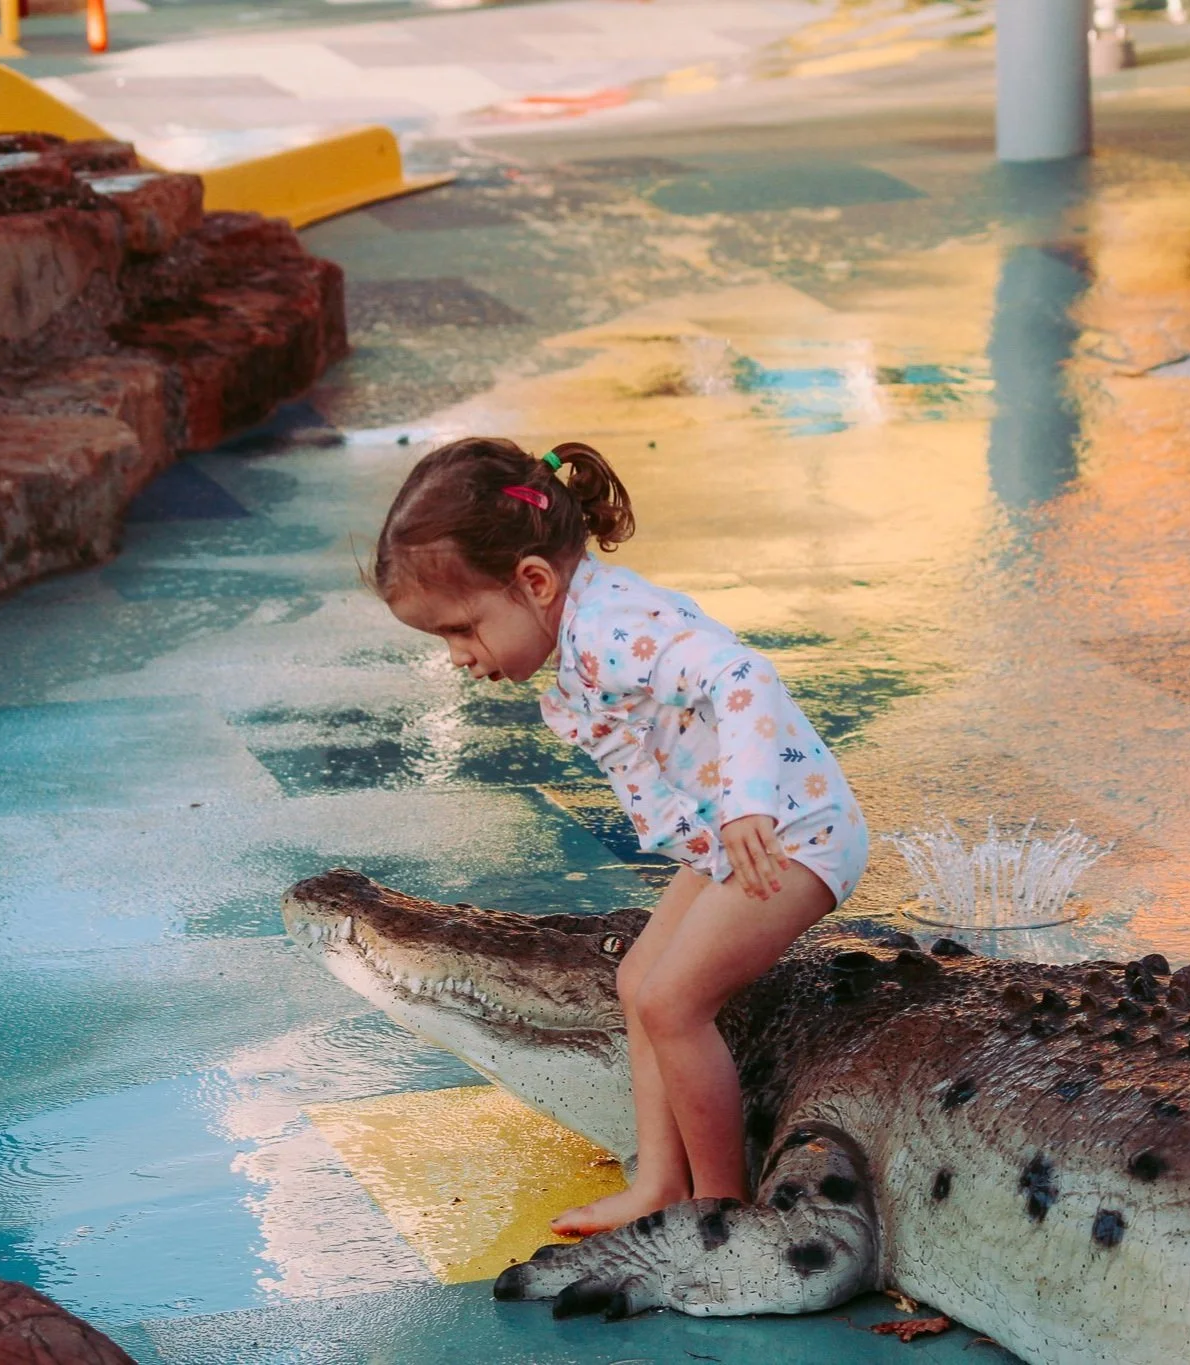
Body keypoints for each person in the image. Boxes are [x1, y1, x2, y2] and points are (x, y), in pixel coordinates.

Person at [370, 437, 868, 1236]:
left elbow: (743, 678)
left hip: (790, 835)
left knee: (672, 1003)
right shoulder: (578, 624)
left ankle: (719, 1212)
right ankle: (661, 1183)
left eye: (462, 628)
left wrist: (747, 804)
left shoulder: (612, 629)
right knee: (639, 982)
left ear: (533, 581)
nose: (460, 657)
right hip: (732, 839)